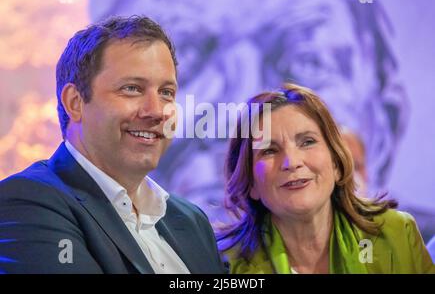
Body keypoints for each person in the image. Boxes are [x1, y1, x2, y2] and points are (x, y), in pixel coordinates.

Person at [0, 15, 226, 274]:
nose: (157, 111)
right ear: (75, 102)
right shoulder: (28, 204)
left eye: (166, 93)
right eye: (132, 88)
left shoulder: (191, 220)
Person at [218, 82, 435, 274]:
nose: (292, 162)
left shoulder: (396, 235)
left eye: (307, 142)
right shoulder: (223, 263)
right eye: (269, 150)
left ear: (336, 164)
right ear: (250, 183)